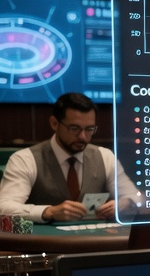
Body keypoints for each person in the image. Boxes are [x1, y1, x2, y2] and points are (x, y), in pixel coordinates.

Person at [0, 92, 140, 222]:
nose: (83, 136)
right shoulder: (25, 159)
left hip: (96, 243)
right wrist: (48, 212)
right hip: (44, 244)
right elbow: (4, 207)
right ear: (54, 123)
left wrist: (124, 203)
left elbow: (136, 197)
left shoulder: (105, 156)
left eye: (89, 129)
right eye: (74, 128)